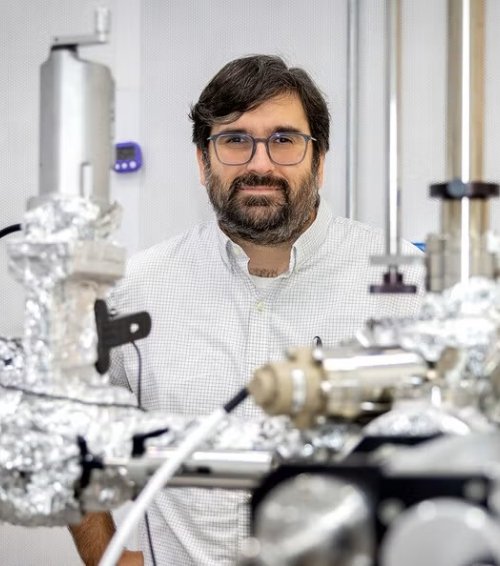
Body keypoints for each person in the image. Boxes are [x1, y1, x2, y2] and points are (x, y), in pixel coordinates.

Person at [70, 54, 423, 565]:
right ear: (202, 161)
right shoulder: (136, 289)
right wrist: (107, 559)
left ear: (320, 160)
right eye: (235, 140)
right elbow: (73, 432)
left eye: (284, 140)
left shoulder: (404, 281)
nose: (260, 163)